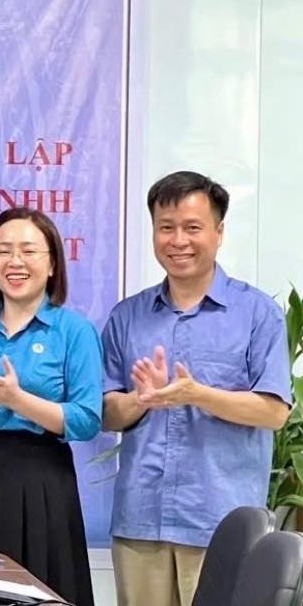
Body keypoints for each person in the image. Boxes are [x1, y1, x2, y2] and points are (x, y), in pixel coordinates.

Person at [102, 171, 291, 606]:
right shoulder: (128, 316)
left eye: (192, 227)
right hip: (140, 522)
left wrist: (195, 394)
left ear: (218, 233)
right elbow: (108, 412)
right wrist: (140, 400)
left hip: (220, 524)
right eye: (166, 228)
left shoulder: (256, 313)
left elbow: (274, 412)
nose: (178, 240)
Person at [0, 207, 100, 606]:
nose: (15, 261)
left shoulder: (73, 330)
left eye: (28, 250)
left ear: (52, 264)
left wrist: (17, 399)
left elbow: (86, 419)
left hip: (43, 478)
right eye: (3, 251)